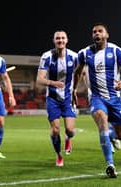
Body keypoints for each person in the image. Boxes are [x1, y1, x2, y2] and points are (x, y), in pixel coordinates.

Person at [72, 23, 121, 178]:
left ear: (107, 35)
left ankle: (112, 136)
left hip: (115, 98)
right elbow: (77, 73)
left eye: (100, 31)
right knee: (102, 123)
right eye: (94, 32)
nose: (97, 34)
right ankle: (110, 164)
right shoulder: (85, 53)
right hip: (96, 98)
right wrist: (73, 90)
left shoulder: (116, 51)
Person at [36, 30, 78, 167]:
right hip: (52, 98)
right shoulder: (47, 56)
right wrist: (52, 83)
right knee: (55, 130)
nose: (60, 40)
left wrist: (75, 90)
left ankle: (68, 139)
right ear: (54, 41)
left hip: (67, 98)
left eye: (63, 38)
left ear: (67, 40)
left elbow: (80, 73)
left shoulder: (74, 56)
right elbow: (39, 79)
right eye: (57, 38)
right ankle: (59, 155)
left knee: (71, 130)